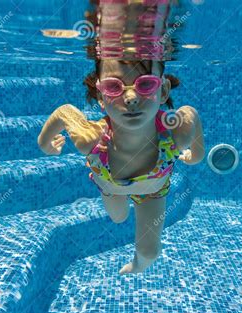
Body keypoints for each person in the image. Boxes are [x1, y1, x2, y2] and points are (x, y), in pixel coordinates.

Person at [38, 59, 205, 275]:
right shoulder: (90, 139)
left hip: (152, 193)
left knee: (150, 253)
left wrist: (197, 155)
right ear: (100, 96)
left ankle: (136, 267)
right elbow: (65, 112)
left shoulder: (176, 134)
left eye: (145, 85)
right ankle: (115, 198)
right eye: (113, 87)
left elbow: (191, 113)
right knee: (119, 218)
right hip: (110, 187)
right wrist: (45, 144)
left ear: (163, 91)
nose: (131, 98)